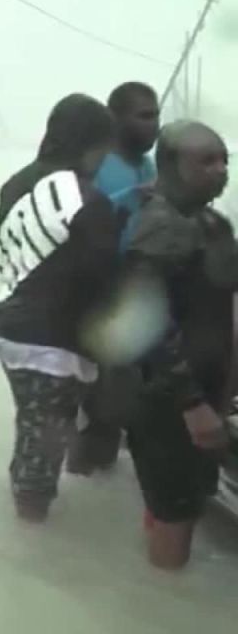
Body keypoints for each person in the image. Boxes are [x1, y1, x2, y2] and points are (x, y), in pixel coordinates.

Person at [0, 93, 121, 522]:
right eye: (103, 148)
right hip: (55, 345)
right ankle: (29, 536)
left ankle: (27, 532)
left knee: (33, 431)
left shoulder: (15, 183)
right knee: (43, 449)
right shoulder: (89, 199)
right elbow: (104, 281)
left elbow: (0, 253)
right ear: (90, 144)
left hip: (8, 333)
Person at [121, 121, 235, 570]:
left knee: (185, 500)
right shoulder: (158, 228)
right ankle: (163, 601)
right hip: (168, 400)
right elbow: (148, 327)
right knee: (177, 513)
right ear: (170, 166)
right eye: (206, 161)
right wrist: (194, 406)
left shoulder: (211, 223)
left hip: (209, 389)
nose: (221, 170)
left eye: (225, 159)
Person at [68, 82, 162, 475]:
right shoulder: (95, 167)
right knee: (98, 403)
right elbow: (75, 227)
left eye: (156, 115)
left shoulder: (150, 165)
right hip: (98, 298)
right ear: (116, 120)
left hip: (139, 294)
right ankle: (81, 475)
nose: (154, 124)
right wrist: (130, 197)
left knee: (132, 398)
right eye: (144, 116)